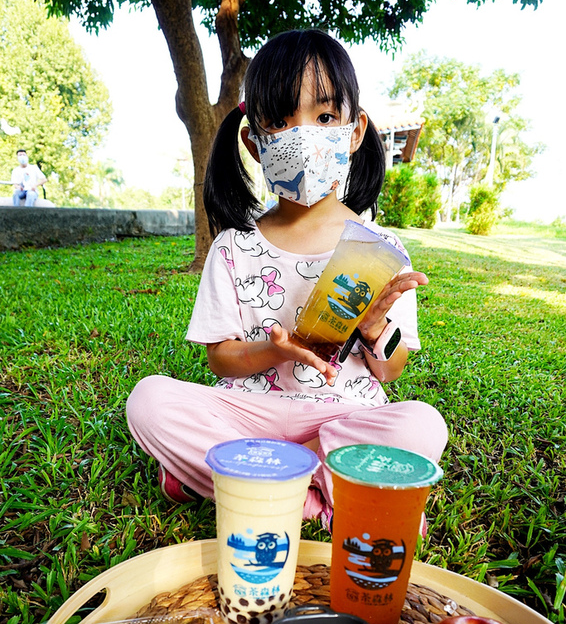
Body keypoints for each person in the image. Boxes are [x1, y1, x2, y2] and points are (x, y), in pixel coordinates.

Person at [126, 29, 448, 525]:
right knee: (149, 400)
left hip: (343, 415)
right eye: (279, 121)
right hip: (251, 414)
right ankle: (326, 495)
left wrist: (371, 330)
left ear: (355, 130)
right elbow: (221, 359)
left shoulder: (381, 251)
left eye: (323, 117)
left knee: (423, 426)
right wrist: (275, 351)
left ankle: (241, 480)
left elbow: (390, 371)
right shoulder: (234, 247)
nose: (303, 136)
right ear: (254, 141)